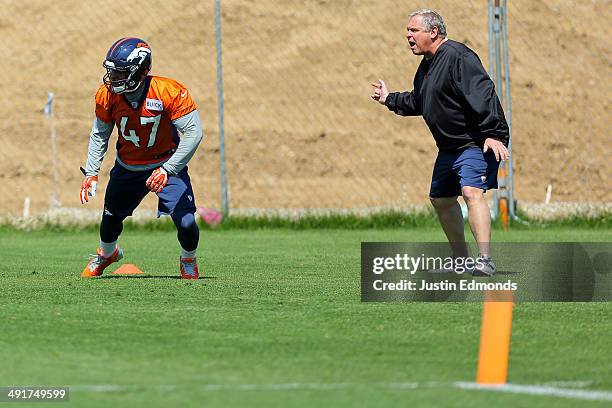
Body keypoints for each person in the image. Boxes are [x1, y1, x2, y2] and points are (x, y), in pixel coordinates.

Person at [371, 9, 510, 276]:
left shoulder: (459, 56)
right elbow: (420, 101)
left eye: (414, 31)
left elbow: (483, 94)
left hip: (474, 142)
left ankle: (485, 260)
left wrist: (493, 133)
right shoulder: (426, 66)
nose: (408, 36)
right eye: (407, 32)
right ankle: (461, 259)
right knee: (441, 199)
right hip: (448, 148)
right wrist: (389, 99)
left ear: (433, 32)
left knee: (471, 193)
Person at [79, 37, 204, 279]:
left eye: (120, 73)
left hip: (166, 165)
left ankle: (188, 259)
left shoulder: (168, 91)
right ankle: (108, 254)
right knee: (110, 220)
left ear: (140, 70)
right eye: (112, 73)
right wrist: (92, 171)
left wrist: (168, 169)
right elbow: (99, 135)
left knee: (187, 223)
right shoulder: (107, 95)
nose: (112, 79)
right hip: (128, 167)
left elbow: (193, 133)